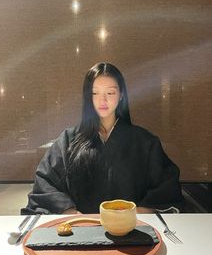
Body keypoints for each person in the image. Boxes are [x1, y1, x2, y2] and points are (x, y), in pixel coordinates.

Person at [21, 62, 184, 215]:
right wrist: (69, 213)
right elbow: (45, 182)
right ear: (88, 96)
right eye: (95, 93)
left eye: (110, 92)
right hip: (80, 230)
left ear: (121, 95)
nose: (102, 100)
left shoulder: (144, 142)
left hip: (132, 230)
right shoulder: (68, 141)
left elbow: (167, 184)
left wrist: (140, 212)